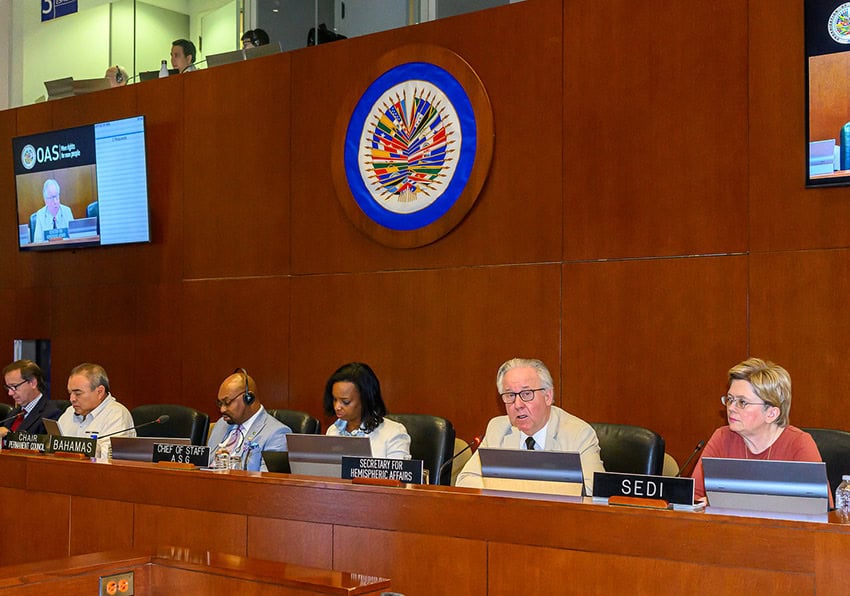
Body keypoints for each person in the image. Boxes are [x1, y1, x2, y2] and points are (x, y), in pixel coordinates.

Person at [691, 357, 832, 505]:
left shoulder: (798, 444)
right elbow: (694, 498)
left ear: (771, 413)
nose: (731, 408)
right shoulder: (722, 437)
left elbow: (821, 508)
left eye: (742, 402)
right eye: (730, 399)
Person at [456, 357, 605, 494]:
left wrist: (514, 489)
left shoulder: (578, 434)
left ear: (547, 396)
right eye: (510, 395)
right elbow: (466, 480)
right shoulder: (498, 428)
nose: (518, 405)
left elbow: (593, 491)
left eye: (527, 394)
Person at [207, 369, 291, 471]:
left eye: (227, 402)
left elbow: (266, 483)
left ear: (248, 398)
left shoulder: (277, 434)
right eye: (220, 403)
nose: (222, 409)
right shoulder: (221, 424)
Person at [323, 362, 410, 459]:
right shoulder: (333, 431)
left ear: (366, 400)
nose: (337, 407)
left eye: (345, 402)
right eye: (335, 399)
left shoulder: (393, 433)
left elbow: (397, 473)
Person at [58, 363, 135, 454]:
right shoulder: (69, 411)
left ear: (100, 392)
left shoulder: (117, 415)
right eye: (70, 393)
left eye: (78, 393)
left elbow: (110, 456)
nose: (72, 399)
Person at [0, 360, 61, 437]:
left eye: (14, 387)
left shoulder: (51, 414)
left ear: (33, 383)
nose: (10, 393)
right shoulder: (13, 413)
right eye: (8, 387)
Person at [32, 179, 74, 243]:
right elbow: (37, 241)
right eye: (51, 198)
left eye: (56, 196)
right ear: (45, 200)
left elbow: (73, 237)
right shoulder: (40, 214)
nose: (55, 201)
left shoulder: (67, 211)